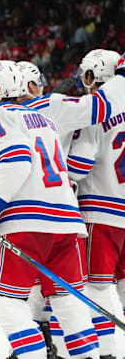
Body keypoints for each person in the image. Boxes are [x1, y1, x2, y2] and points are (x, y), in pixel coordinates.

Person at [0, 60, 99, 359]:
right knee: (68, 301)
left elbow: (16, 162)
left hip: (28, 223)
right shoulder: (44, 120)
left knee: (6, 303)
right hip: (67, 222)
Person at [65, 53, 125, 358]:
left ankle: (106, 352)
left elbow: (78, 165)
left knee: (97, 290)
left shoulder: (95, 108)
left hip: (101, 212)